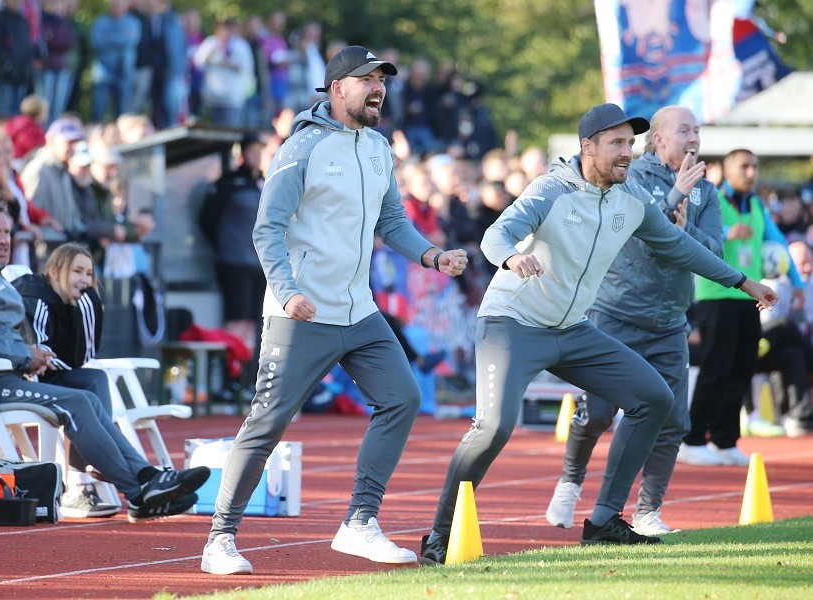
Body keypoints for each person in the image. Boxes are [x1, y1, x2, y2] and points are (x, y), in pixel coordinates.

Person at [419, 103, 778, 564]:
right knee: (494, 428)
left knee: (654, 398)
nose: (627, 151)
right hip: (513, 323)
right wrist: (511, 257)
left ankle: (606, 520)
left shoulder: (631, 199)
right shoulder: (551, 188)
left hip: (572, 329)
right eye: (616, 143)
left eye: (630, 142)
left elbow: (681, 247)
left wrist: (742, 281)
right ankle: (439, 536)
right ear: (588, 147)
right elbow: (496, 235)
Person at [200, 45, 469, 576]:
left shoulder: (378, 146)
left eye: (383, 80)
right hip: (299, 312)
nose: (379, 88)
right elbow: (267, 228)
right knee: (267, 423)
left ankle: (360, 523)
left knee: (403, 398)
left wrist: (432, 256)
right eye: (368, 79)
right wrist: (287, 290)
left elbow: (392, 220)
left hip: (359, 311)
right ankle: (219, 539)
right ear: (337, 88)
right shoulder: (301, 148)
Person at [0, 199, 211, 521]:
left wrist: (31, 355)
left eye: (6, 232)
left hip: (0, 378)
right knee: (77, 403)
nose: (4, 240)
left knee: (89, 389)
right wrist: (26, 355)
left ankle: (147, 478)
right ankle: (138, 492)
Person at [544, 106, 721, 536]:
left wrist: (685, 229)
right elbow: (638, 236)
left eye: (697, 130)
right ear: (658, 139)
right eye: (684, 130)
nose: (693, 138)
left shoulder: (707, 190)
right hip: (617, 313)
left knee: (674, 421)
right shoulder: (633, 175)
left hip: (670, 320)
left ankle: (647, 511)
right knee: (598, 412)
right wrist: (674, 198)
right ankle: (570, 482)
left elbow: (713, 250)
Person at [678, 149, 804, 467]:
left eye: (755, 167)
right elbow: (691, 232)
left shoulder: (757, 206)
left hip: (750, 297)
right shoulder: (713, 201)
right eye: (744, 166)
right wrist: (726, 233)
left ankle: (724, 440)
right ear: (727, 170)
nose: (751, 172)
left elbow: (779, 243)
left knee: (742, 369)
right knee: (715, 369)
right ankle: (693, 439)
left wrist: (797, 285)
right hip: (715, 296)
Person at [11, 242, 118, 517]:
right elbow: (39, 356)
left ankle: (89, 473)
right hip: (24, 379)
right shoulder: (37, 297)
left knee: (95, 379)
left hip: (51, 375)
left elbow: (84, 356)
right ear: (56, 272)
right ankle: (89, 474)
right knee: (85, 392)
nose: (85, 280)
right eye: (77, 271)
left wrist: (87, 308)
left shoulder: (76, 302)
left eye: (89, 274)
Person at [199, 133, 267, 350]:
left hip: (260, 264)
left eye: (260, 151)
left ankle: (247, 369)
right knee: (237, 320)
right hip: (234, 263)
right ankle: (232, 368)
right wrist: (225, 246)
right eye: (252, 151)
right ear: (242, 154)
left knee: (254, 323)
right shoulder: (228, 184)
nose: (257, 156)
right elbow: (207, 220)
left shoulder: (264, 182)